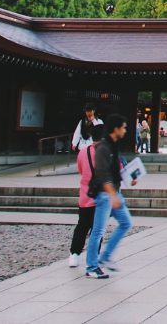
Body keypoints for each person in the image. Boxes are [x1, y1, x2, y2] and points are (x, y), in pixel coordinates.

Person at [85, 114, 134, 279]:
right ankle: (91, 266)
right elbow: (102, 174)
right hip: (105, 194)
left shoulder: (113, 146)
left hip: (114, 193)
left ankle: (105, 256)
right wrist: (113, 195)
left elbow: (114, 171)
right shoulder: (103, 148)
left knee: (126, 223)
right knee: (98, 231)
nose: (125, 130)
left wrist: (128, 179)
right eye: (124, 127)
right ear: (116, 129)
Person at [69, 123, 104, 267]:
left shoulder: (82, 153)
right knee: (97, 229)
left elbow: (81, 170)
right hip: (100, 197)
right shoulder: (105, 152)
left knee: (82, 226)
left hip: (85, 194)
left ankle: (74, 254)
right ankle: (94, 256)